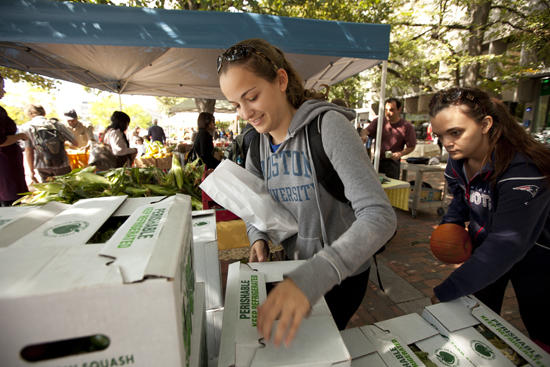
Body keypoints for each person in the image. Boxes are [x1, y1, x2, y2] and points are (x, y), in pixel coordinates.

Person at [218, 38, 396, 347]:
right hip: (292, 267)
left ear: (281, 80)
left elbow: (380, 216)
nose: (245, 112)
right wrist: (257, 235)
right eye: (236, 104)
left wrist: (312, 278)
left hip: (340, 273)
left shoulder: (328, 126)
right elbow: (254, 205)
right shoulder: (256, 144)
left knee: (313, 347)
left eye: (252, 97)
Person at [428, 87, 550, 350]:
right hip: (486, 250)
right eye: (440, 136)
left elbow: (507, 245)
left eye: (455, 132)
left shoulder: (524, 171)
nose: (447, 143)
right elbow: (461, 199)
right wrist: (450, 224)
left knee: (541, 325)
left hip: (537, 257)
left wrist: (449, 288)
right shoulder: (456, 162)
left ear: (485, 124)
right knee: (476, 315)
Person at [360, 98, 416, 179]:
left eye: (391, 110)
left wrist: (400, 154)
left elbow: (411, 146)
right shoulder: (379, 121)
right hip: (377, 161)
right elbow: (364, 131)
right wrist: (364, 135)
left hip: (393, 164)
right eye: (386, 110)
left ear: (399, 109)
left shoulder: (406, 126)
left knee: (390, 188)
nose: (388, 113)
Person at [21, 104, 78, 183]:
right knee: (66, 188)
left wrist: (31, 170)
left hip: (42, 165)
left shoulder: (26, 127)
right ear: (44, 113)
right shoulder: (57, 124)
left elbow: (28, 151)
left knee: (50, 190)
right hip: (62, 163)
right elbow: (76, 143)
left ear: (29, 114)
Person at [0, 75, 29, 206]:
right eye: (2, 87)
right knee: (9, 205)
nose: (4, 92)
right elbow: (1, 140)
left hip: (6, 167)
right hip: (5, 167)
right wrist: (20, 136)